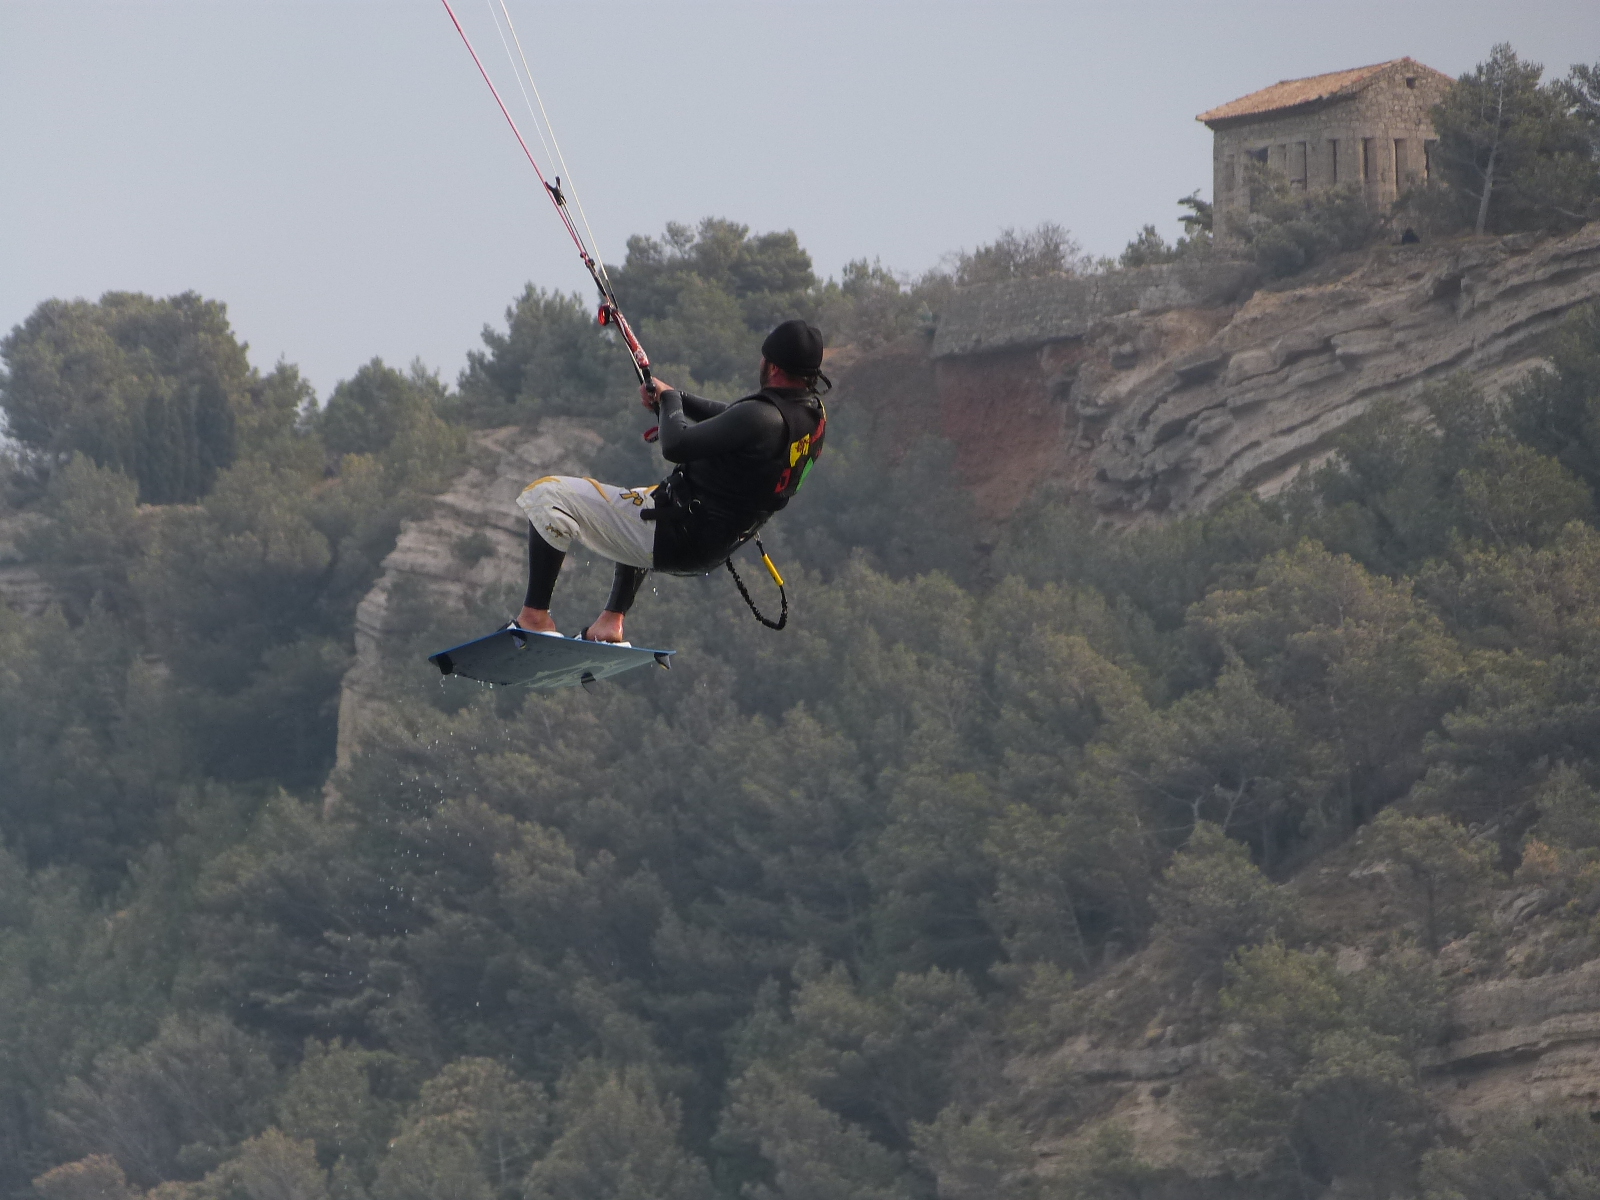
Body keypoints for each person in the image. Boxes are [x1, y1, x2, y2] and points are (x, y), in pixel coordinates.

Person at [513, 319, 828, 643]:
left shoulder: (760, 417)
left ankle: (534, 618)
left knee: (547, 494)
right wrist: (674, 397)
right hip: (713, 543)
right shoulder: (810, 416)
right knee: (643, 498)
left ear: (772, 366)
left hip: (675, 534)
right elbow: (736, 418)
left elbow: (676, 445)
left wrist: (672, 404)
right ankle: (611, 622)